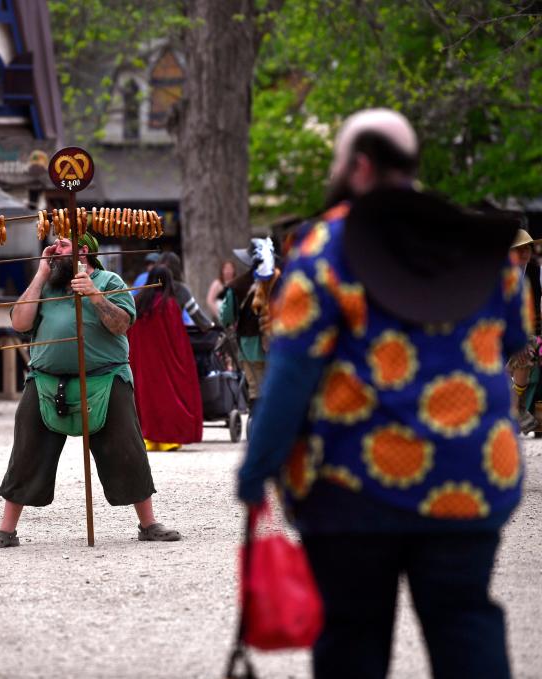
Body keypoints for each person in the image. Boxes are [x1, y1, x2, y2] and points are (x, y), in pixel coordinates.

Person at [237, 108, 525, 679]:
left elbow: (291, 373)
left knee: (352, 638)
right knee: (465, 623)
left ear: (360, 166)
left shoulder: (325, 246)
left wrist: (256, 470)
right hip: (468, 478)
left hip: (353, 489)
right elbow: (516, 334)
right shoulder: (482, 243)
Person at [0, 233, 181, 549]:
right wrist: (41, 272)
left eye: (63, 245)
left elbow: (121, 324)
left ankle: (148, 523)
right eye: (53, 244)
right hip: (45, 380)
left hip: (105, 378)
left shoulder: (110, 280)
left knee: (127, 450)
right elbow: (19, 323)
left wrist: (93, 293)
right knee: (26, 452)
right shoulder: (45, 284)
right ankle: (7, 529)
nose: (54, 249)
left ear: (83, 251)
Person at [128, 266, 203, 451]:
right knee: (167, 398)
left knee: (144, 399)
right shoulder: (168, 304)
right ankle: (166, 438)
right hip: (165, 363)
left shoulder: (138, 303)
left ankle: (147, 437)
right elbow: (178, 339)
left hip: (142, 363)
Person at [218, 239, 280, 413]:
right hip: (278, 343)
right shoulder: (281, 281)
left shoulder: (237, 286)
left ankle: (258, 421)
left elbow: (227, 317)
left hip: (249, 345)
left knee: (255, 387)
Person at [507, 228, 541, 433]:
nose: (524, 252)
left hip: (522, 329)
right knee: (527, 349)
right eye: (519, 249)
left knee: (530, 347)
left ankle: (517, 406)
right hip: (500, 330)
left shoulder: (530, 271)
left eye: (526, 248)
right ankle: (516, 407)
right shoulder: (505, 272)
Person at [156, 251, 216, 331]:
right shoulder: (180, 289)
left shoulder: (148, 289)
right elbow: (199, 318)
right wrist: (214, 329)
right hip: (171, 336)